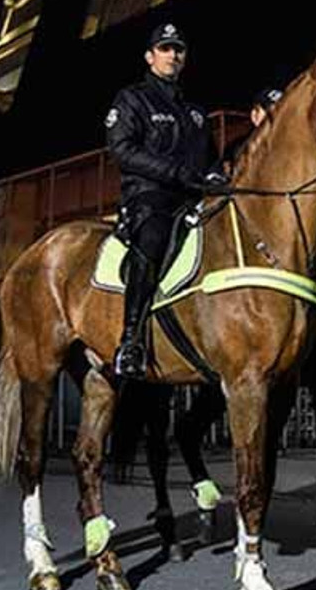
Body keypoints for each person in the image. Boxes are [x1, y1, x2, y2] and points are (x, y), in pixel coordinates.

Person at [106, 23, 221, 378]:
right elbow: (122, 150)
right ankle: (131, 340)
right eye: (165, 48)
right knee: (153, 239)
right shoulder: (131, 99)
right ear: (150, 56)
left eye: (178, 49)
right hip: (149, 198)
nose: (173, 54)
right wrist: (173, 172)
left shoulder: (196, 113)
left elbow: (211, 159)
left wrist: (217, 176)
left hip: (192, 198)